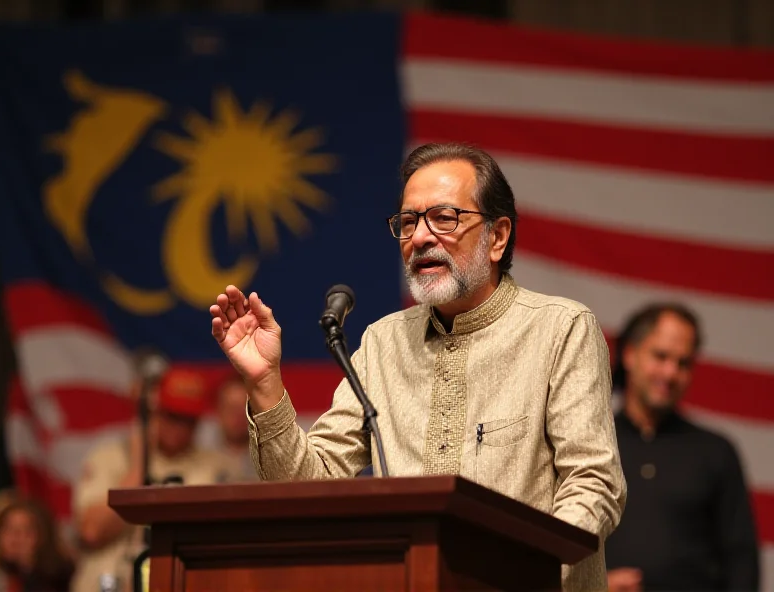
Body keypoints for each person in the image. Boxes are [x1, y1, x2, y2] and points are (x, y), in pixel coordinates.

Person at [209, 142, 627, 591]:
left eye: (444, 218)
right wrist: (265, 382)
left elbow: (593, 484)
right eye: (409, 222)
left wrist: (523, 571)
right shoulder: (382, 341)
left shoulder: (562, 328)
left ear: (498, 237)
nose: (421, 237)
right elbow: (307, 487)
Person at [605, 303, 760, 592]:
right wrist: (591, 586)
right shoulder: (589, 443)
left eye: (683, 363)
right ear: (629, 354)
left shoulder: (716, 452)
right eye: (660, 356)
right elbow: (552, 546)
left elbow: (742, 562)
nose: (670, 372)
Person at [71, 366, 244, 592]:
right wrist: (138, 467)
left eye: (188, 419)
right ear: (153, 411)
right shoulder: (110, 458)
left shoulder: (219, 468)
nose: (180, 428)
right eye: (172, 416)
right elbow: (92, 531)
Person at [0, 490, 74, 592]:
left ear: (41, 535)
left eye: (26, 530)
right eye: (9, 529)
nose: (16, 538)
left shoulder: (60, 576)